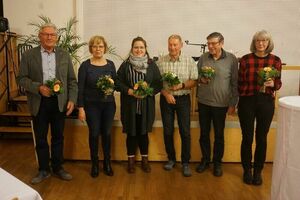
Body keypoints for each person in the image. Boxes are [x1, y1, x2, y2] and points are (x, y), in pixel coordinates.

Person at [18, 23, 78, 184]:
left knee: (58, 136)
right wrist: (38, 88)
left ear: (56, 37)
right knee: (41, 137)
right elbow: (22, 79)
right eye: (46, 34)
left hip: (60, 102)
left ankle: (58, 167)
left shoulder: (64, 55)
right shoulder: (29, 55)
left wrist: (72, 99)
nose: (49, 37)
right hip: (39, 102)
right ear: (40, 36)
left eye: (52, 34)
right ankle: (43, 170)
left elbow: (72, 80)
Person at [238, 30, 282, 185]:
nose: (261, 43)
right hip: (247, 102)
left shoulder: (275, 60)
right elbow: (239, 82)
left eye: (264, 41)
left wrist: (273, 84)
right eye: (258, 41)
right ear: (254, 42)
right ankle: (247, 170)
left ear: (268, 43)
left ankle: (258, 171)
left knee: (261, 138)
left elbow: (278, 83)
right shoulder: (245, 60)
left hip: (266, 103)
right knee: (247, 137)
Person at [115, 36, 162, 173]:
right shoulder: (125, 65)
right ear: (132, 48)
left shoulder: (152, 65)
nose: (138, 50)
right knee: (131, 134)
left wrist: (148, 91)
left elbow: (158, 83)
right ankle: (131, 161)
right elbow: (117, 82)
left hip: (146, 107)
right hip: (130, 106)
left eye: (141, 47)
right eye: (136, 47)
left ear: (145, 49)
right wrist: (129, 91)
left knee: (143, 134)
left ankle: (145, 160)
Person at [196, 32, 238, 177]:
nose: (211, 46)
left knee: (219, 135)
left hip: (221, 105)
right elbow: (198, 77)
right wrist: (202, 80)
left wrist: (233, 103)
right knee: (204, 134)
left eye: (214, 43)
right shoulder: (203, 58)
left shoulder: (231, 59)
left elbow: (234, 83)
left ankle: (217, 162)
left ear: (221, 43)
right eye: (209, 43)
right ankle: (205, 160)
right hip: (204, 102)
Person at [157, 34, 198, 177]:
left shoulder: (189, 61)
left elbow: (194, 81)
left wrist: (181, 85)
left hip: (183, 100)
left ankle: (185, 162)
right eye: (170, 45)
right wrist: (166, 94)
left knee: (185, 132)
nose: (172, 47)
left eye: (175, 45)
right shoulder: (161, 61)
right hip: (166, 99)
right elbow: (156, 83)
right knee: (168, 131)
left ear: (181, 45)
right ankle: (171, 159)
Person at [77, 36, 116, 178]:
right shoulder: (85, 66)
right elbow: (80, 89)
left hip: (108, 105)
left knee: (106, 133)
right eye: (95, 46)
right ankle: (94, 163)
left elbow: (115, 84)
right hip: (91, 105)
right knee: (94, 133)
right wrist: (80, 108)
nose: (98, 49)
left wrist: (110, 85)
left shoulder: (111, 65)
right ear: (91, 49)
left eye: (100, 46)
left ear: (104, 48)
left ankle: (107, 162)